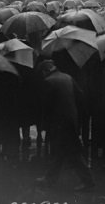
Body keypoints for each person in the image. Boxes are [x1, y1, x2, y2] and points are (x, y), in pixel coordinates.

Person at [35, 59, 95, 191]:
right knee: (60, 152)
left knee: (72, 153)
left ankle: (88, 182)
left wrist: (44, 126)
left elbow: (47, 107)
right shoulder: (67, 77)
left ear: (45, 71)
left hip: (59, 123)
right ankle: (50, 179)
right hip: (70, 120)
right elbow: (80, 97)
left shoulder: (48, 82)